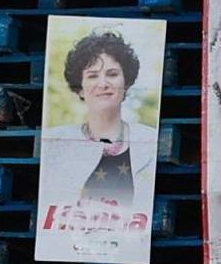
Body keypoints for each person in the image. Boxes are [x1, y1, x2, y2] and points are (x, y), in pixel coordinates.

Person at [40, 31, 157, 215]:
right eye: (93, 76)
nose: (103, 84)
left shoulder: (151, 141)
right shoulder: (55, 142)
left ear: (126, 83)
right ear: (80, 89)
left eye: (112, 74)